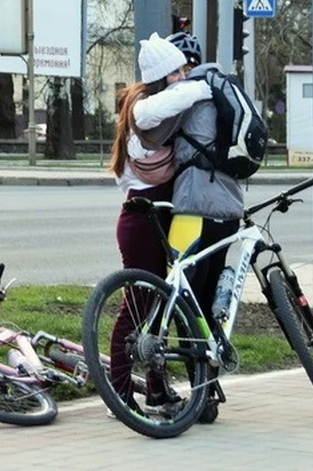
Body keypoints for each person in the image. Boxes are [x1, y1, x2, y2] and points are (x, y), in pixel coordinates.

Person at [106, 32, 211, 414]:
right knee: (136, 307)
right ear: (163, 76)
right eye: (179, 71)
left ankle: (157, 389)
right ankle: (117, 393)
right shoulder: (144, 112)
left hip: (157, 217)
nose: (185, 76)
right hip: (142, 219)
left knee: (158, 310)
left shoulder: (155, 110)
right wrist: (205, 85)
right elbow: (177, 98)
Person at [167, 32, 246, 423]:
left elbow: (154, 136)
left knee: (183, 300)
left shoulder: (185, 96)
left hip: (193, 208)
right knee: (209, 298)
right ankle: (211, 384)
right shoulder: (220, 89)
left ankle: (202, 396)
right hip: (228, 210)